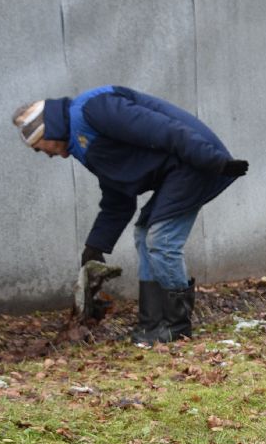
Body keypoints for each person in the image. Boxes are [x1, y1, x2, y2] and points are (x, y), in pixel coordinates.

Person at [13, 87, 249, 344]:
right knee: (144, 234)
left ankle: (176, 327)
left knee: (162, 240)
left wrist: (213, 160)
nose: (46, 154)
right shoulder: (79, 139)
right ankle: (150, 325)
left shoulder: (93, 109)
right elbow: (118, 194)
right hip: (179, 169)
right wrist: (95, 246)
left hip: (194, 160)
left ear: (44, 131)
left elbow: (161, 128)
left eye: (39, 148)